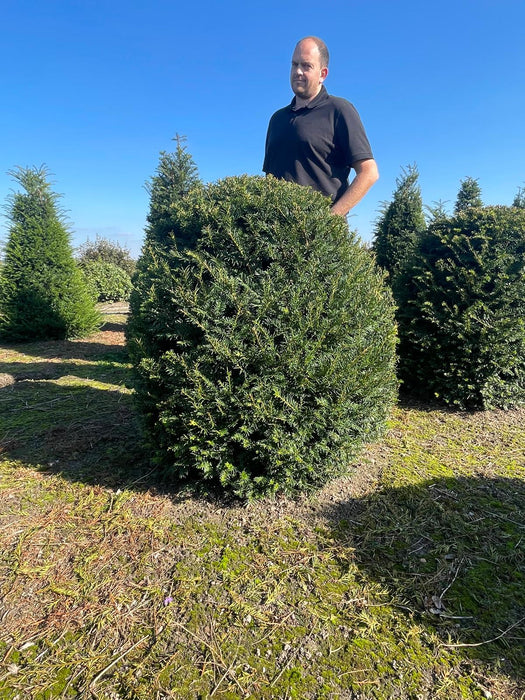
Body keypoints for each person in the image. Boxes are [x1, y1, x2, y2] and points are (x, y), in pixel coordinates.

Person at [263, 36, 379, 217]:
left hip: (321, 240)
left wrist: (329, 220)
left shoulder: (339, 110)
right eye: (294, 65)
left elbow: (369, 173)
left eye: (306, 66)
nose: (298, 72)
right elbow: (269, 180)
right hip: (276, 238)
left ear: (323, 74)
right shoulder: (277, 120)